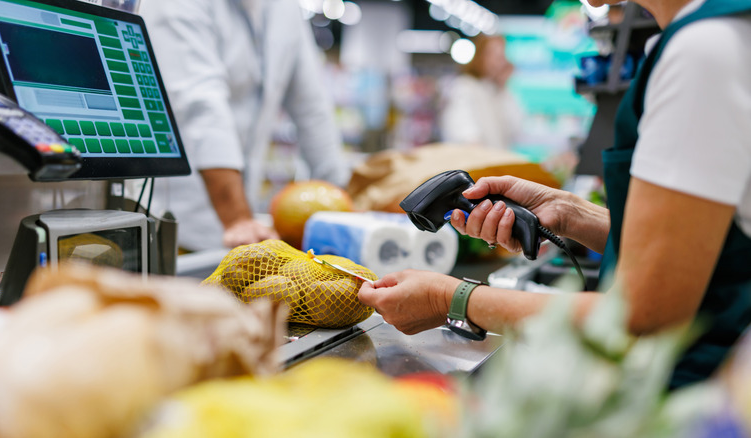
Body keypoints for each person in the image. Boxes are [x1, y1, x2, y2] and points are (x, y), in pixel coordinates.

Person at [359, 0, 751, 390]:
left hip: (699, 393)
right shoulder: (712, 35)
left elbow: (639, 319)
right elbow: (697, 247)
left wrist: (449, 298)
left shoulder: (703, 52)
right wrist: (569, 212)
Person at [139, 0, 350, 251]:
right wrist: (237, 219)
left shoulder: (284, 9)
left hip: (244, 223)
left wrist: (344, 210)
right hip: (177, 228)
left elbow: (312, 109)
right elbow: (202, 107)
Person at [438, 34, 523, 149]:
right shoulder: (465, 86)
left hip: (495, 161)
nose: (499, 63)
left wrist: (504, 88)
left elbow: (515, 129)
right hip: (476, 162)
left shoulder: (497, 91)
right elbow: (463, 130)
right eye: (494, 56)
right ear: (480, 56)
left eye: (501, 56)